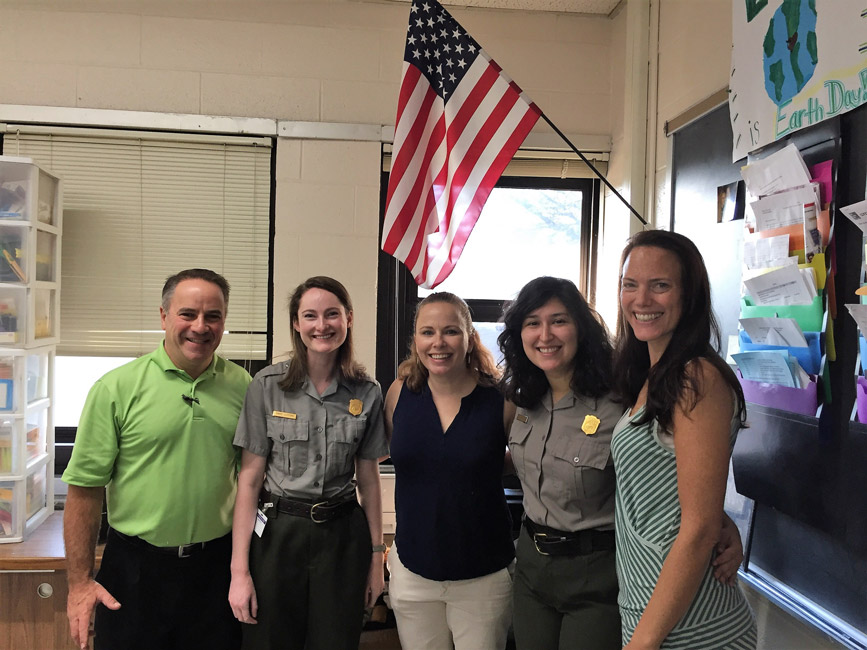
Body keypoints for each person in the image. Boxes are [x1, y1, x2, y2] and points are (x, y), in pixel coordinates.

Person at [499, 276, 745, 650]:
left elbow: (659, 474)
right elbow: (515, 463)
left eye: (559, 320)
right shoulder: (519, 400)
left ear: (581, 328)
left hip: (597, 571)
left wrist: (722, 521)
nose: (545, 335)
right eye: (532, 323)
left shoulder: (624, 396)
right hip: (532, 566)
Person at [62, 268, 253, 650]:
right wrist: (79, 583)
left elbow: (250, 479)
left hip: (215, 570)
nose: (200, 326)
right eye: (187, 314)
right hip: (133, 571)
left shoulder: (246, 388)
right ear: (164, 316)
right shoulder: (116, 388)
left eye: (213, 316)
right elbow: (85, 489)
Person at [612, 230, 757, 649]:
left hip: (693, 626)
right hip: (651, 610)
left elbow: (696, 528)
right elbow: (677, 497)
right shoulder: (649, 376)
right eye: (630, 284)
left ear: (689, 295)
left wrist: (643, 643)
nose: (642, 300)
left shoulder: (697, 378)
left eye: (660, 285)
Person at [229, 275, 388, 650]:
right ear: (296, 324)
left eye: (332, 314)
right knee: (268, 639)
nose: (322, 325)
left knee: (336, 641)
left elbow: (368, 479)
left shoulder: (367, 391)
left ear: (348, 318)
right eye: (310, 316)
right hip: (279, 535)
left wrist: (376, 557)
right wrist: (239, 571)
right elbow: (249, 481)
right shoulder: (267, 386)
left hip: (342, 536)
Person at [384, 292, 515, 650]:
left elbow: (520, 459)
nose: (438, 342)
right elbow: (404, 454)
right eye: (427, 332)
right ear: (415, 341)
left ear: (470, 337)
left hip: (483, 577)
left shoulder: (501, 399)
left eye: (451, 331)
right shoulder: (399, 393)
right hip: (413, 572)